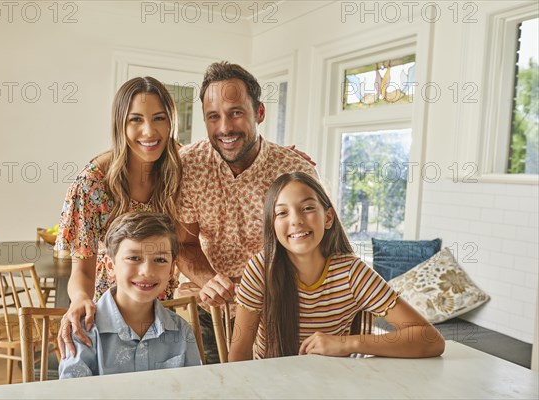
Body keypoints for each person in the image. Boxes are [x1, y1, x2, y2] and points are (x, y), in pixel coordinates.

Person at [174, 62, 317, 362]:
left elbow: (314, 249)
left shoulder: (294, 170)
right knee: (212, 389)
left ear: (260, 113)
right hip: (210, 310)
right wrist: (210, 281)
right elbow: (184, 244)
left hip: (277, 311)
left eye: (236, 112)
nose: (225, 127)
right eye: (213, 117)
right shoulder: (188, 167)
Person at [229, 172, 445, 360]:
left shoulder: (352, 273)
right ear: (272, 225)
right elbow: (239, 353)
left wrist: (347, 343)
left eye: (307, 208)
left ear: (328, 217)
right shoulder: (261, 269)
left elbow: (430, 339)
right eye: (282, 213)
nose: (296, 220)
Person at [56, 76, 182, 354]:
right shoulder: (93, 183)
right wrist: (79, 299)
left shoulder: (183, 168)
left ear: (171, 122)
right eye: (135, 119)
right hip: (110, 315)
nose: (149, 131)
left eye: (159, 118)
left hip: (162, 312)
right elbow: (82, 271)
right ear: (119, 125)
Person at [59, 212, 201, 378]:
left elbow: (193, 389)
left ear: (171, 270)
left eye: (160, 260)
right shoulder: (83, 330)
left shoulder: (181, 331)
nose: (147, 271)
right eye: (134, 258)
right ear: (111, 266)